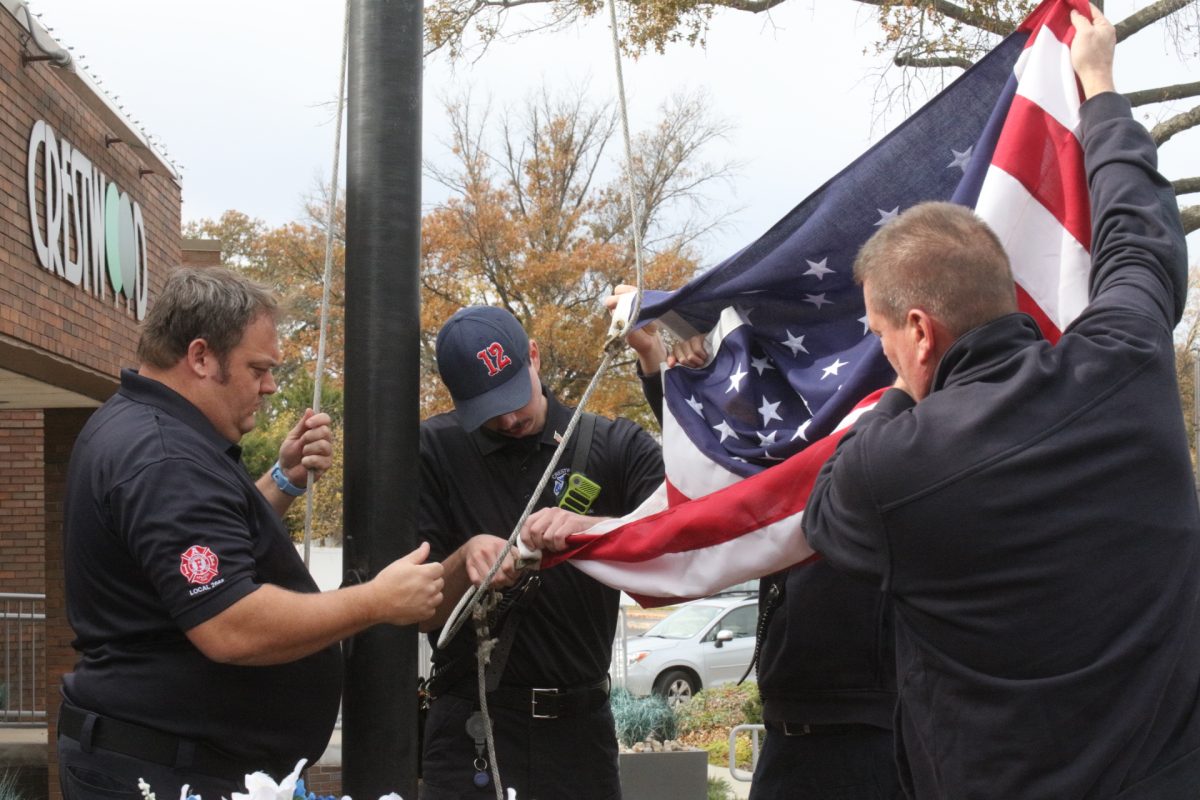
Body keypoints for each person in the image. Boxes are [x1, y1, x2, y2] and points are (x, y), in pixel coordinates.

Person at [803, 8, 1200, 797]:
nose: (881, 350)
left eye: (880, 332)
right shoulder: (1124, 359)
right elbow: (1142, 234)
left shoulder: (896, 467)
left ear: (919, 330)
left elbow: (824, 513)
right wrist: (1099, 87)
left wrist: (896, 394)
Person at [58, 267, 445, 800]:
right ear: (200, 357)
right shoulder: (166, 458)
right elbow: (229, 623)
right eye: (258, 368)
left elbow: (194, 555)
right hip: (167, 769)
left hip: (164, 758)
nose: (268, 385)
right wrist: (376, 601)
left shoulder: (142, 428)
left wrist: (282, 480)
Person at [614, 300, 901, 800]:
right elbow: (717, 473)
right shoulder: (781, 463)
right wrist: (660, 368)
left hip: (869, 739)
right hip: (785, 736)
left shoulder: (881, 443)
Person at [418, 305, 664, 800]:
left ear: (533, 356)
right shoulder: (433, 450)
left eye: (514, 396)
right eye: (488, 408)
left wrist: (590, 528)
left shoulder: (615, 444)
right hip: (473, 728)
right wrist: (464, 562)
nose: (509, 418)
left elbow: (682, 528)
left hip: (580, 734)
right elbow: (416, 608)